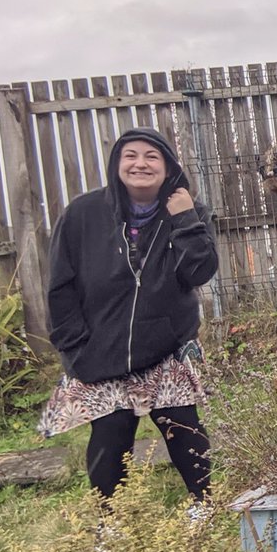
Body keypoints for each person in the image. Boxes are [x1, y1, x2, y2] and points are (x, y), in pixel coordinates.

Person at [39, 127, 219, 511]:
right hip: (98, 352)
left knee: (183, 428)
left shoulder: (190, 212)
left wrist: (185, 218)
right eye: (131, 155)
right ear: (117, 164)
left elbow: (199, 272)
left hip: (164, 350)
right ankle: (111, 523)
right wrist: (75, 348)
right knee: (110, 436)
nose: (141, 164)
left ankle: (205, 507)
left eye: (152, 157)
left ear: (168, 166)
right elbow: (60, 286)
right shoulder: (82, 214)